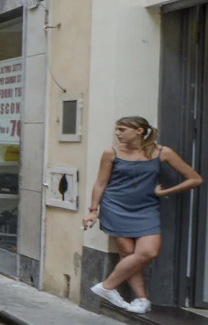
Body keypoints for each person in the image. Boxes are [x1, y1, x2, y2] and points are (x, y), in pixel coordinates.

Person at [83, 116, 201, 314]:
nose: (117, 134)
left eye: (121, 129)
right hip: (115, 206)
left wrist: (165, 192)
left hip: (146, 208)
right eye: (117, 130)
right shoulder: (111, 152)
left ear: (139, 131)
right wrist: (92, 211)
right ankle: (142, 299)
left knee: (148, 252)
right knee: (128, 254)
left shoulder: (162, 152)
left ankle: (107, 286)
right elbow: (100, 183)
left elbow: (195, 179)